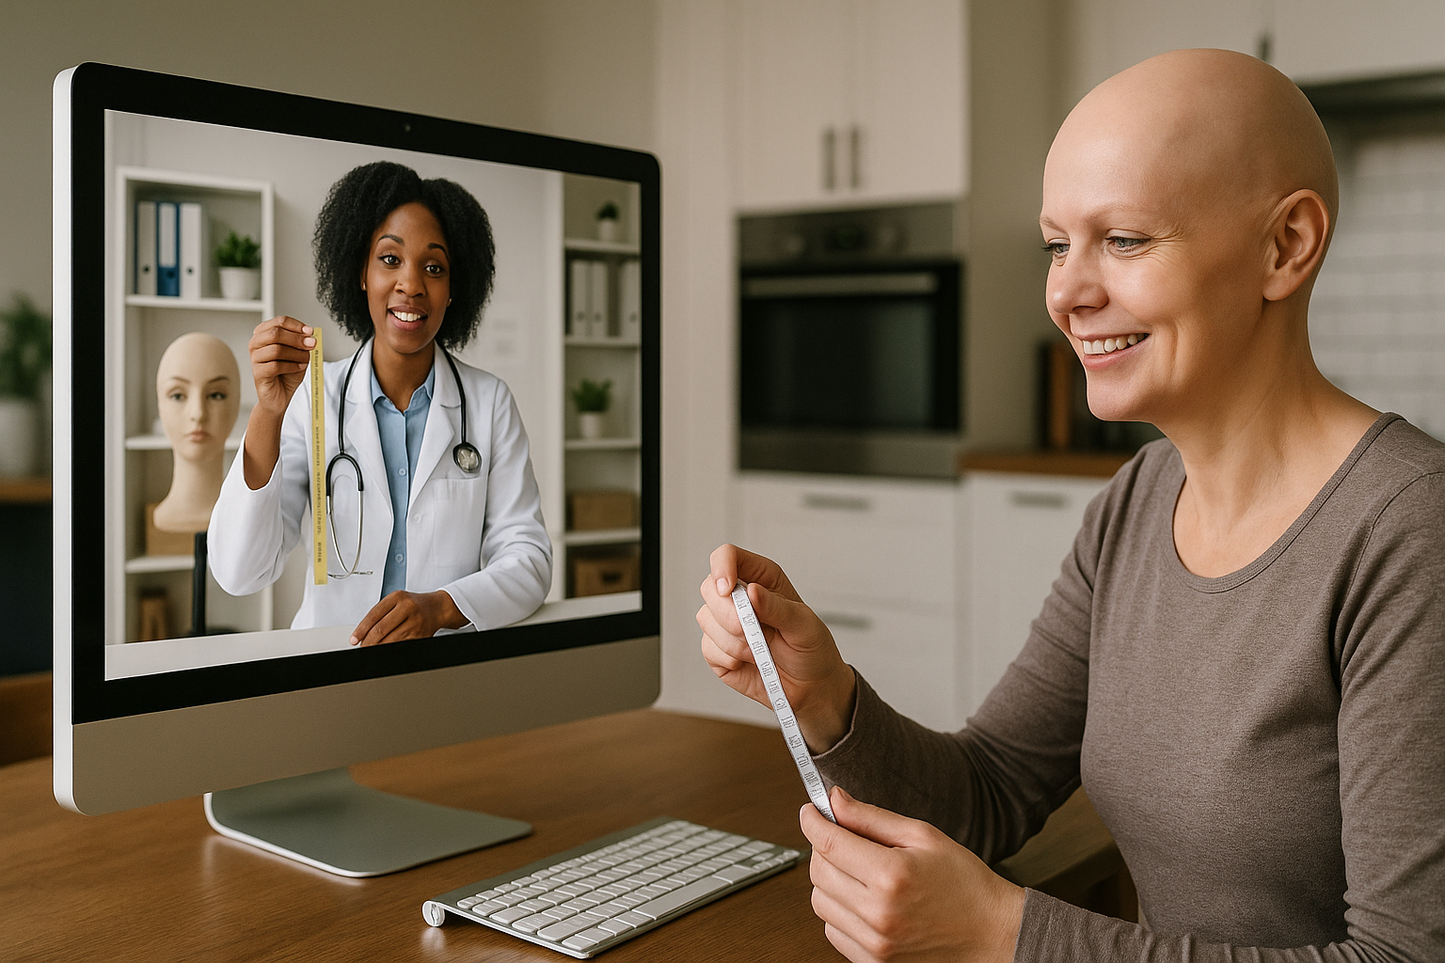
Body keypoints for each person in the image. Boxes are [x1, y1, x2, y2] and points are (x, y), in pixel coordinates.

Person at [697, 49, 1445, 963]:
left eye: (1123, 239)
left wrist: (1005, 933)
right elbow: (992, 786)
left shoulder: (1409, 529)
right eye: (1057, 244)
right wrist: (823, 694)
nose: (1066, 293)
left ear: (1284, 246)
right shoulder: (1135, 500)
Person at [210, 161, 551, 645]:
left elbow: (529, 560)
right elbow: (240, 572)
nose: (410, 283)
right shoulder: (313, 395)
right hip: (329, 668)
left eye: (434, 267)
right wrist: (267, 411)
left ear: (454, 290)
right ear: (361, 273)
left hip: (442, 677)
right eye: (390, 259)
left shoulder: (489, 403)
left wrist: (440, 607)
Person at [152, 332, 241, 533]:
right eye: (177, 396)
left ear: (237, 402)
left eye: (216, 395)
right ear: (160, 404)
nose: (198, 414)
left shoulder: (244, 517)